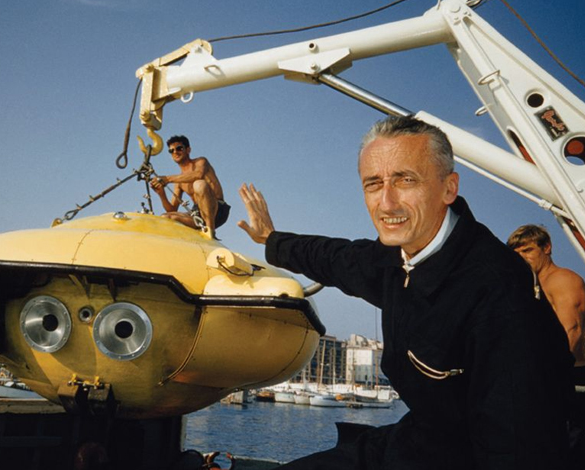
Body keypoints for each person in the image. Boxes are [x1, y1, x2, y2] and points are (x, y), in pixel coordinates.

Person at [238, 116, 573, 469]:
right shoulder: (395, 260)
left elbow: (518, 444)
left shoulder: (498, 291)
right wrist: (271, 240)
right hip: (418, 439)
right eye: (373, 184)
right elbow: (334, 258)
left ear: (449, 188)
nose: (387, 203)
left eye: (405, 180)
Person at [507, 225, 585, 365]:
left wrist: (556, 374)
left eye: (527, 250)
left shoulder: (561, 279)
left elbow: (572, 329)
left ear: (546, 248)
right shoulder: (530, 286)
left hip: (573, 372)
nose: (522, 257)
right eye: (516, 253)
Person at [150, 135, 230, 237]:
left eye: (179, 148)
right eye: (171, 151)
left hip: (217, 210)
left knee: (199, 184)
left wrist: (167, 179)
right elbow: (172, 209)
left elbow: (198, 175)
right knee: (165, 217)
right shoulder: (179, 181)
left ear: (188, 150)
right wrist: (161, 194)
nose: (175, 152)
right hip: (198, 214)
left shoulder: (201, 162)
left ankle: (210, 231)